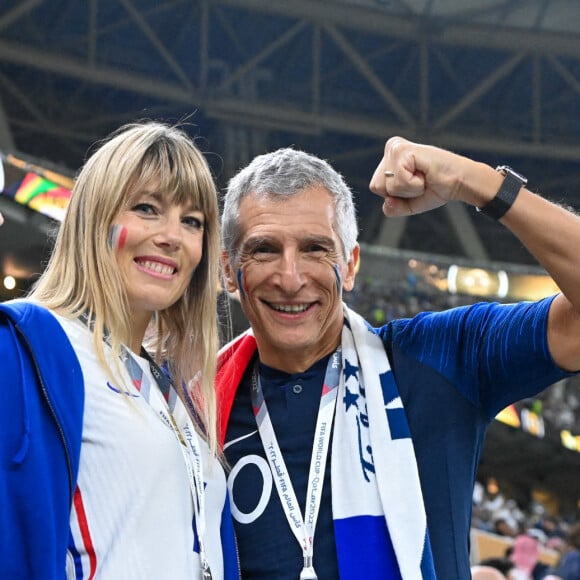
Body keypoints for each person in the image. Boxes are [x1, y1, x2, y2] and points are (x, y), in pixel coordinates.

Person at [216, 138, 580, 579]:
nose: (290, 278)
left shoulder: (438, 358)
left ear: (350, 266)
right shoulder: (191, 407)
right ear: (228, 271)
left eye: (315, 248)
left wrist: (476, 181)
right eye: (264, 250)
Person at [0, 121, 239, 579]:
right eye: (147, 208)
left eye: (192, 221)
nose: (172, 235)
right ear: (95, 220)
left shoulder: (175, 394)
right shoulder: (27, 347)